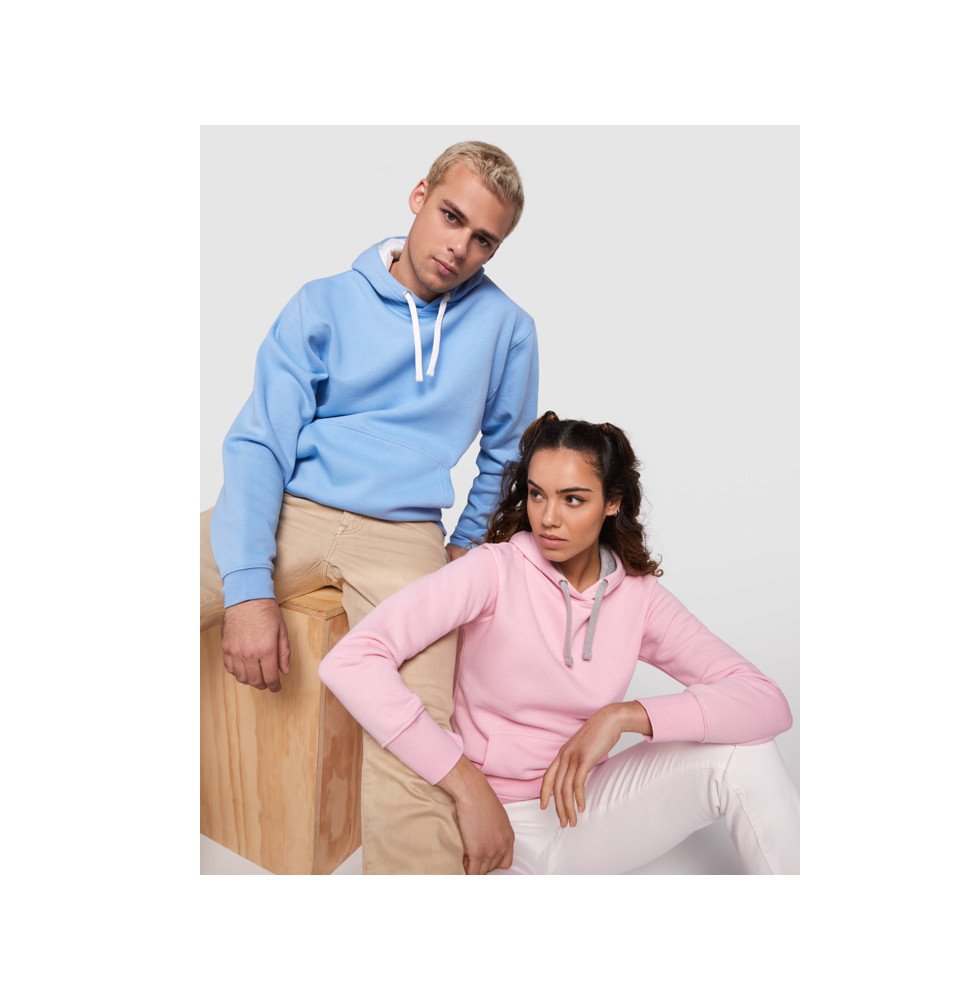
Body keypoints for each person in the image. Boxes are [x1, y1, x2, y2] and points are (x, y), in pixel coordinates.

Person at [200, 141, 539, 875]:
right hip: (292, 505)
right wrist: (248, 591)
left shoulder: (507, 328)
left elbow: (508, 456)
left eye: (485, 239)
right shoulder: (323, 301)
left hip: (406, 537)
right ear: (419, 196)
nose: (460, 247)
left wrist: (464, 550)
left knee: (415, 732)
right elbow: (258, 442)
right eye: (451, 216)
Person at [318, 412, 799, 874]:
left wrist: (624, 716)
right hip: (491, 817)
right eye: (537, 495)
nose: (548, 518)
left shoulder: (640, 597)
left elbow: (765, 701)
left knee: (745, 756)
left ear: (612, 503)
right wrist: (466, 786)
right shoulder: (493, 570)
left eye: (573, 499)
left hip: (584, 808)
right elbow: (352, 661)